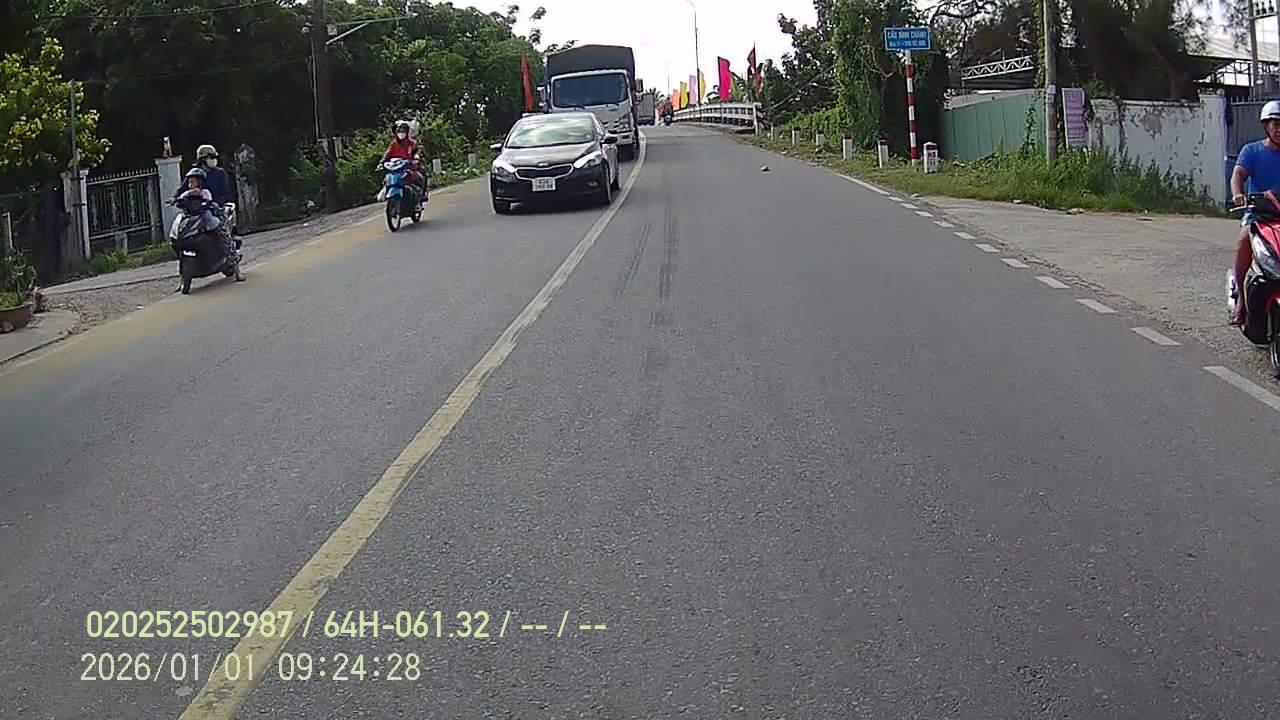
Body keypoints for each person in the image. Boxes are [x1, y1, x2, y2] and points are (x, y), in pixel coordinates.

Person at [1230, 100, 1280, 325]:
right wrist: (1237, 194)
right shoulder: (1252, 151)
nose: (1279, 130)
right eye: (1275, 124)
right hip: (1259, 215)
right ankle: (1241, 299)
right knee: (1243, 241)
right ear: (1266, 126)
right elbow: (1238, 175)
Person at [174, 167, 236, 263]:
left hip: (205, 215)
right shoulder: (188, 192)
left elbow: (209, 199)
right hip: (191, 217)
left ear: (200, 182)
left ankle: (230, 257)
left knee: (218, 229)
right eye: (189, 182)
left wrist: (207, 201)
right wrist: (177, 199)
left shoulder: (205, 192)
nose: (190, 184)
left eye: (193, 182)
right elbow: (180, 197)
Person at [381, 121, 426, 200]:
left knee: (421, 178)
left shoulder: (412, 143)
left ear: (407, 132)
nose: (401, 133)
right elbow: (387, 153)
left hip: (408, 167)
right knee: (386, 180)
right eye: (399, 131)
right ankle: (385, 191)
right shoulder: (393, 144)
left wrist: (416, 158)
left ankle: (422, 196)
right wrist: (382, 162)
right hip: (395, 169)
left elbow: (416, 152)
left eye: (403, 131)